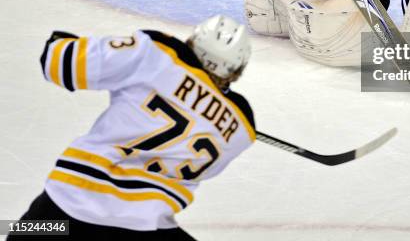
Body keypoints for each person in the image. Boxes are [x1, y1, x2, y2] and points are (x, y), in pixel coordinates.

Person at [9, 16, 255, 240]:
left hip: (66, 210)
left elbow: (59, 63)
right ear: (236, 71)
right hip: (145, 228)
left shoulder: (155, 54)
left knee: (18, 229)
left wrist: (61, 43)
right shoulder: (241, 127)